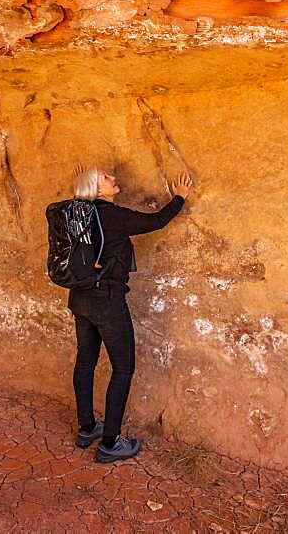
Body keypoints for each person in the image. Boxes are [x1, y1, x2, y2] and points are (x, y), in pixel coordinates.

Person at [67, 165, 193, 463]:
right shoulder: (112, 216)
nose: (113, 178)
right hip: (107, 302)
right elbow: (157, 221)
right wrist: (180, 197)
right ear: (97, 190)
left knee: (85, 361)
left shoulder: (76, 213)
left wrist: (83, 182)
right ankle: (110, 442)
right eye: (106, 178)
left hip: (80, 298)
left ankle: (87, 428)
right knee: (122, 368)